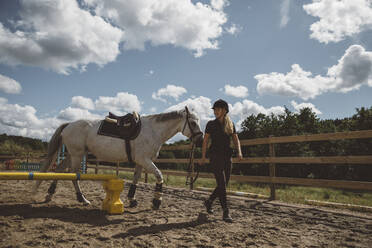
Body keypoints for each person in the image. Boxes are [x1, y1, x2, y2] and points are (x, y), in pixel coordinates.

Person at [200, 99, 242, 223]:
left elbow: (236, 139)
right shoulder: (210, 124)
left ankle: (209, 201)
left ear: (224, 110)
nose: (215, 112)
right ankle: (225, 211)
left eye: (218, 109)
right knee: (222, 184)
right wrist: (203, 157)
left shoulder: (230, 124)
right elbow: (205, 141)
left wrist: (239, 152)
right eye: (215, 110)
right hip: (215, 157)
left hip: (227, 157)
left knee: (224, 183)